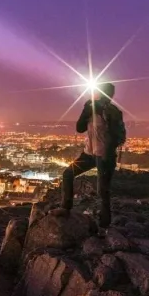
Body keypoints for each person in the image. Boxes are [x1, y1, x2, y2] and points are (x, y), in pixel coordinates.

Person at [53, 82, 126, 233]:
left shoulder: (113, 112)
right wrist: (87, 111)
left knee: (103, 190)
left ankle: (104, 226)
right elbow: (79, 128)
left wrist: (108, 149)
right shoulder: (90, 108)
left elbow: (120, 137)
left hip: (104, 155)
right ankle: (65, 207)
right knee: (68, 174)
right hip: (89, 153)